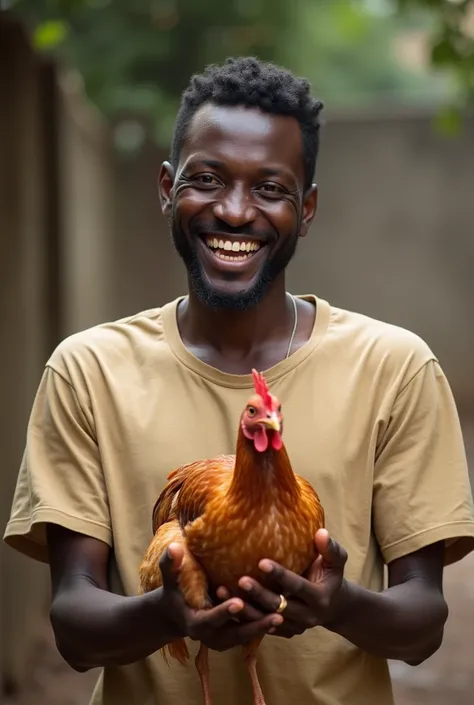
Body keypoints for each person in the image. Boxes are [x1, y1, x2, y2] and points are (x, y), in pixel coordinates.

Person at [4, 56, 474, 705]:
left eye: (270, 188)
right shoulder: (89, 371)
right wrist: (167, 613)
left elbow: (422, 625)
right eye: (207, 178)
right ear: (167, 188)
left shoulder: (393, 368)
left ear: (306, 209)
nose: (233, 210)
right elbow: (75, 629)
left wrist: (336, 604)